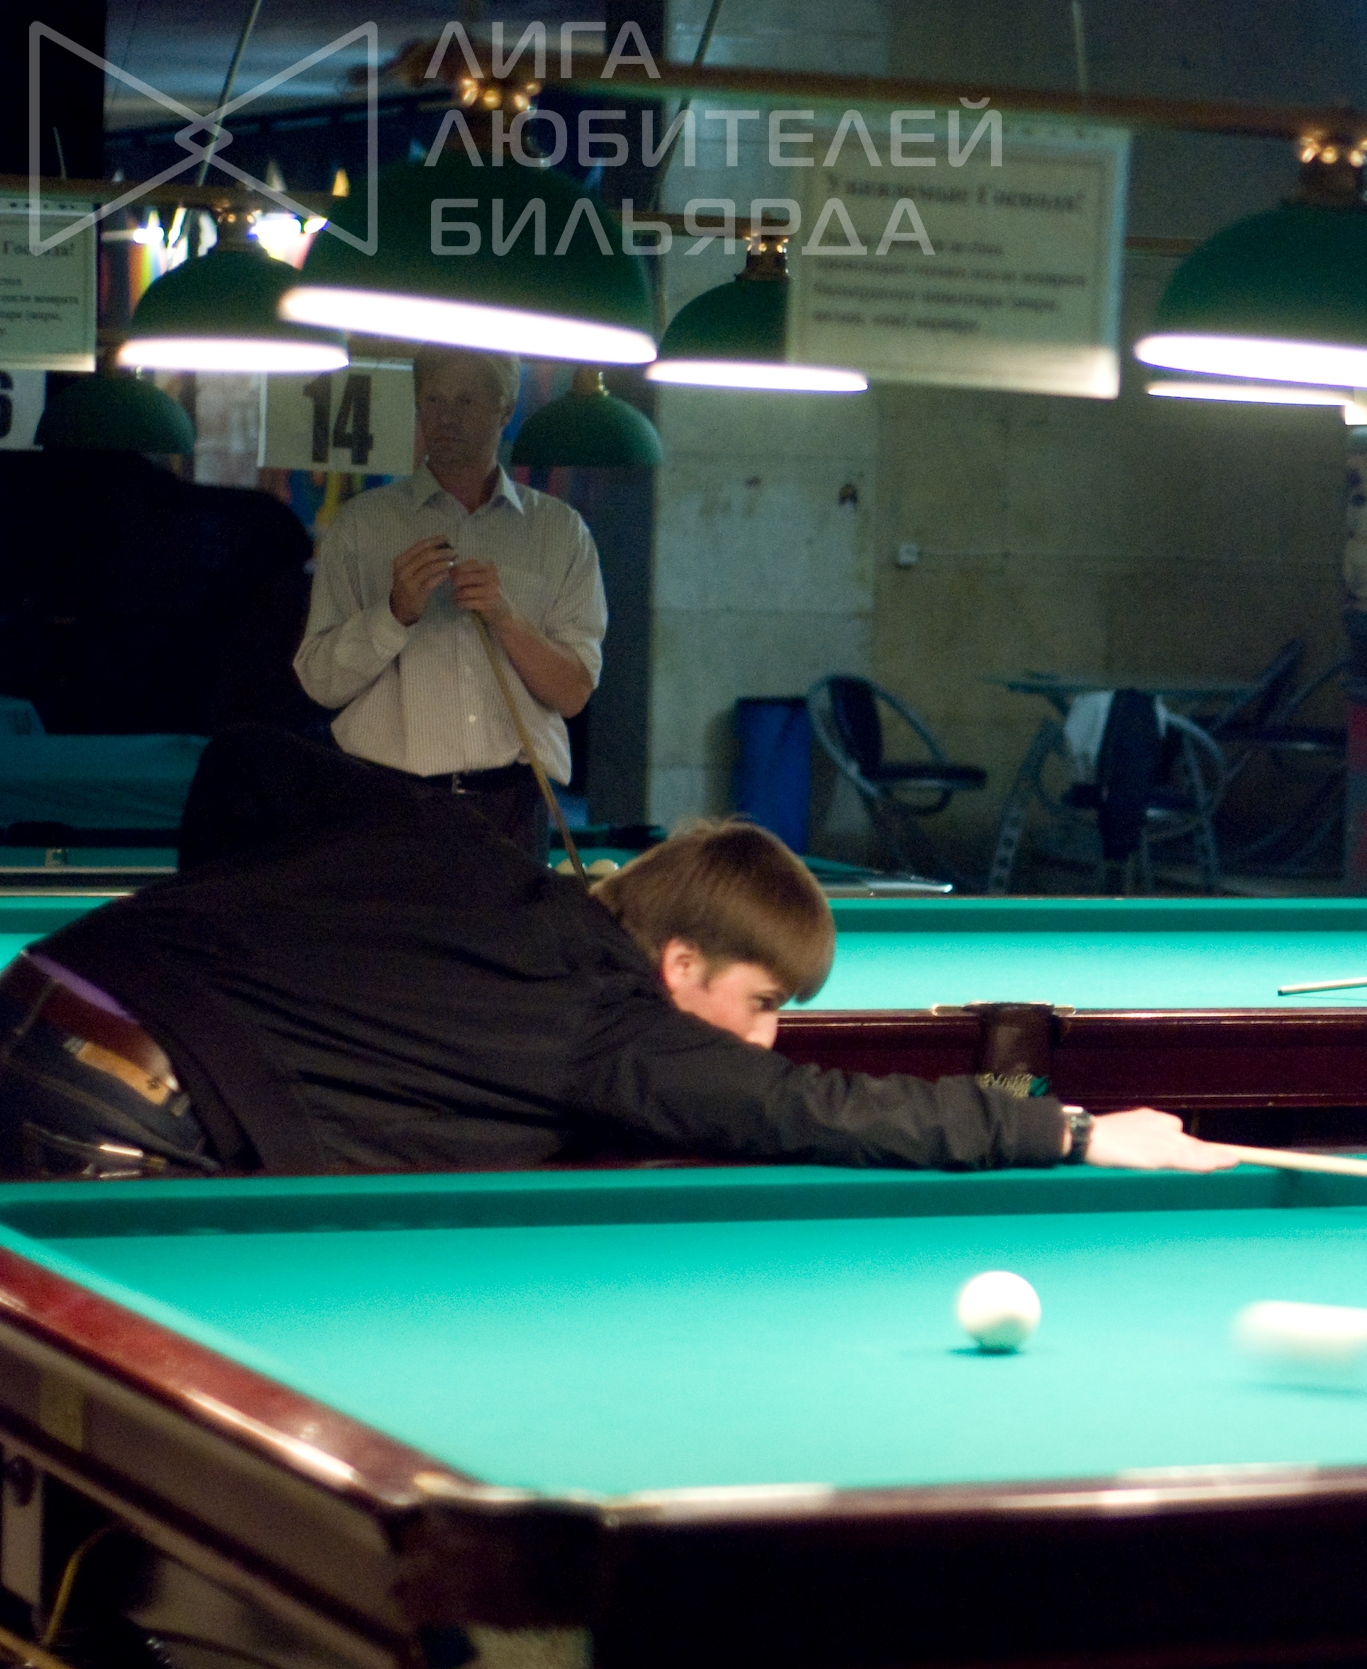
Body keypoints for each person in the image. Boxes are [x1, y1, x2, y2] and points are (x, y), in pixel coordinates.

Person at [2, 727, 1233, 1181]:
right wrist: (1069, 1131)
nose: (766, 1038)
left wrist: (230, 922)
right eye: (760, 1000)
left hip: (34, 998)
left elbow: (251, 762)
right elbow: (803, 1107)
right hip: (117, 1103)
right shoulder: (604, 1012)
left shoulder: (461, 849)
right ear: (679, 963)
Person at [293, 349, 606, 859]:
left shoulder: (560, 531)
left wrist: (506, 618)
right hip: (387, 802)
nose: (446, 417)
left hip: (512, 806)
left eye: (466, 401)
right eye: (433, 400)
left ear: (505, 411)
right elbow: (319, 683)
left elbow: (573, 694)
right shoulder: (360, 526)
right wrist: (393, 613)